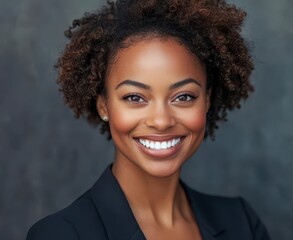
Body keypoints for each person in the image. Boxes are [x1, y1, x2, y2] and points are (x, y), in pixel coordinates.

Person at [27, 0, 270, 239]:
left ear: (206, 100)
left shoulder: (241, 223)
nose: (161, 121)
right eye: (135, 97)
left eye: (183, 96)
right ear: (103, 105)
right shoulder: (61, 234)